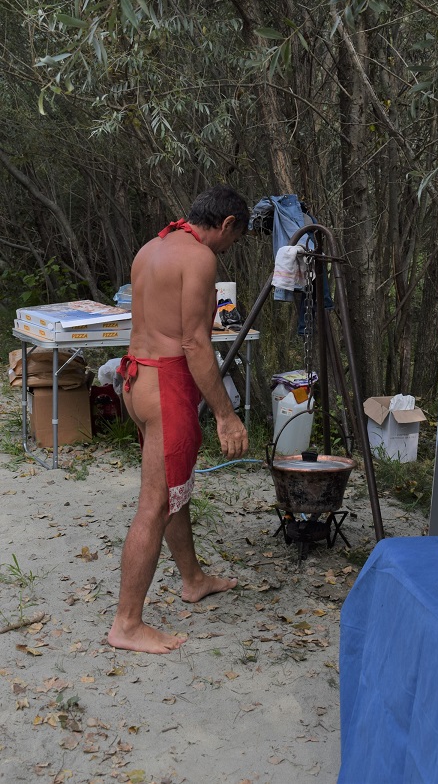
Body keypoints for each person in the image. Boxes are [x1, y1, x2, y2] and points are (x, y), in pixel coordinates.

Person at [108, 187, 250, 654]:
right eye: (234, 239)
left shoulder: (151, 248)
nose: (229, 248)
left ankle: (193, 578)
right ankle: (127, 624)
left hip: (135, 381)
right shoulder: (200, 257)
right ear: (226, 224)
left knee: (173, 489)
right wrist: (226, 416)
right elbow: (193, 342)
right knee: (154, 504)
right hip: (165, 386)